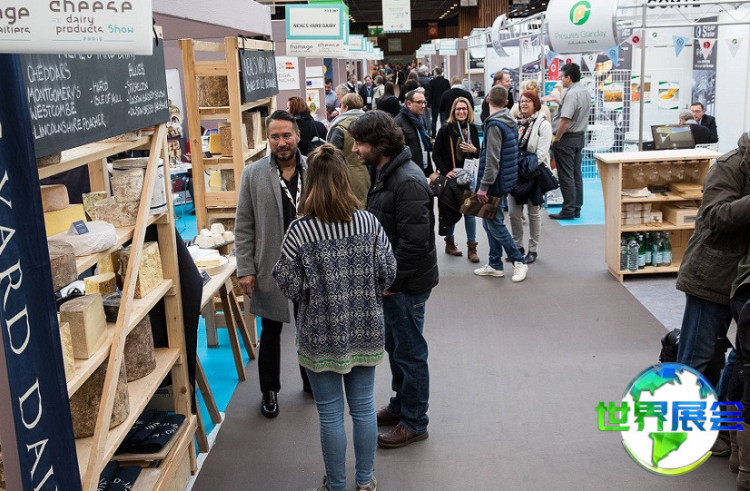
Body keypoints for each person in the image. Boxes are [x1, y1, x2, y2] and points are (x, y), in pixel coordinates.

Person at [273, 144, 396, 491]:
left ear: (310, 181)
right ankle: (365, 481)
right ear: (345, 179)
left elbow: (286, 280)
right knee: (363, 408)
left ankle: (337, 485)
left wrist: (312, 291)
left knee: (329, 414)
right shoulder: (368, 223)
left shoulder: (301, 231)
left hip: (321, 334)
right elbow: (388, 271)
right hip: (366, 329)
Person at [349, 111, 439, 449]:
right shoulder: (386, 173)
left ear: (379, 143)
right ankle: (402, 406)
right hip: (393, 283)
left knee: (410, 352)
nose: (355, 149)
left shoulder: (407, 181)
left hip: (405, 285)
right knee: (397, 348)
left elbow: (415, 244)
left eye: (360, 142)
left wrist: (392, 282)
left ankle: (414, 422)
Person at [235, 110, 312, 418]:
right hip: (271, 264)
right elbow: (244, 225)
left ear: (298, 136)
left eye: (287, 135)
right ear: (268, 139)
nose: (281, 142)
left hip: (310, 265)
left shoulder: (315, 170)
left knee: (310, 326)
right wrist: (245, 268)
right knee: (270, 331)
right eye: (275, 137)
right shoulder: (253, 174)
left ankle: (312, 380)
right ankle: (269, 390)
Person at [676, 131, 750, 437]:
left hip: (743, 282)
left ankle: (719, 426)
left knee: (741, 356)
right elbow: (715, 217)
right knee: (698, 356)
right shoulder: (730, 165)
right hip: (712, 276)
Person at [473, 85, 529, 283]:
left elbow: (492, 160)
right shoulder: (509, 122)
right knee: (489, 222)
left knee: (494, 224)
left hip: (494, 184)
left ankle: (518, 260)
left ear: (487, 99)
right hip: (504, 180)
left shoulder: (494, 125)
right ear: (506, 102)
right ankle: (495, 264)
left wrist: (483, 186)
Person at [432, 96, 480, 262]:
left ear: (468, 111)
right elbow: (436, 154)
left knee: (470, 213)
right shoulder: (445, 130)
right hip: (452, 179)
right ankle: (450, 243)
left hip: (468, 178)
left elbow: (479, 153)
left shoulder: (472, 128)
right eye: (458, 109)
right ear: (453, 111)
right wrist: (446, 172)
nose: (461, 112)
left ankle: (472, 248)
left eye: (464, 109)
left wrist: (474, 150)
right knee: (451, 210)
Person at [508, 90, 552, 264]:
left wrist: (524, 166)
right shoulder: (515, 123)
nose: (524, 104)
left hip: (533, 173)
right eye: (522, 101)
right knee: (513, 213)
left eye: (528, 101)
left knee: (533, 213)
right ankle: (517, 247)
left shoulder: (543, 125)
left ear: (535, 104)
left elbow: (541, 154)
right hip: (515, 174)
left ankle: (533, 249)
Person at [549, 62, 589, 220]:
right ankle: (576, 207)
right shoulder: (584, 91)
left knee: (566, 175)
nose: (561, 80)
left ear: (569, 77)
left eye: (562, 77)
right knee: (576, 174)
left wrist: (557, 138)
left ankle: (568, 210)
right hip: (579, 137)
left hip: (567, 139)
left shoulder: (572, 94)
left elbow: (565, 119)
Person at [327, 93, 369, 207]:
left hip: (346, 177)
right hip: (367, 175)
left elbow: (332, 156)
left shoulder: (340, 128)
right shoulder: (369, 124)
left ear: (345, 107)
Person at [395, 90, 433, 177]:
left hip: (423, 164)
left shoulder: (420, 119)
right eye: (419, 102)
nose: (423, 106)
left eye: (424, 102)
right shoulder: (399, 122)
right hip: (409, 171)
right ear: (409, 103)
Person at [427, 67, 451, 137]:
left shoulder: (432, 82)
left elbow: (430, 94)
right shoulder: (446, 81)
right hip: (444, 103)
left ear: (436, 72)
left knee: (434, 120)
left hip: (435, 103)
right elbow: (448, 92)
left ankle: (434, 135)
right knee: (443, 120)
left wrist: (428, 104)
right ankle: (444, 135)